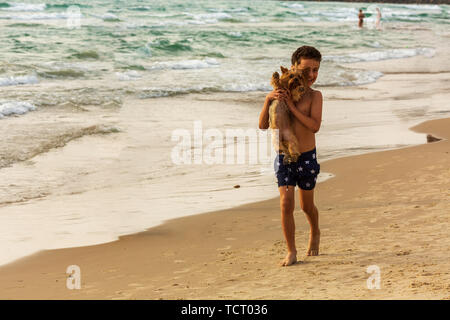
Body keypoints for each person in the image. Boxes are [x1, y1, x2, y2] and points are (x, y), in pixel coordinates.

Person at [258, 46, 323, 266]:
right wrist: (268, 100)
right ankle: (291, 251)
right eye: (306, 70)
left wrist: (292, 107)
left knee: (306, 206)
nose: (311, 76)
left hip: (306, 157)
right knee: (286, 204)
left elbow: (314, 126)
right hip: (284, 156)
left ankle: (314, 230)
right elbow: (262, 125)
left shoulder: (315, 96)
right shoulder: (277, 95)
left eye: (316, 70)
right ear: (293, 67)